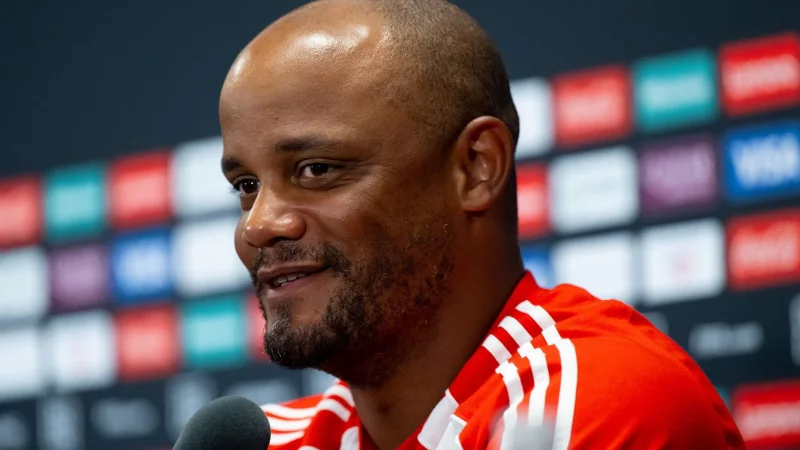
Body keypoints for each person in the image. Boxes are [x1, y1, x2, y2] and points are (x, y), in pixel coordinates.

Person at [218, 0, 746, 448]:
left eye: (316, 170)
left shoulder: (590, 402)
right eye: (246, 186)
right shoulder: (278, 438)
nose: (259, 225)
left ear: (476, 167)